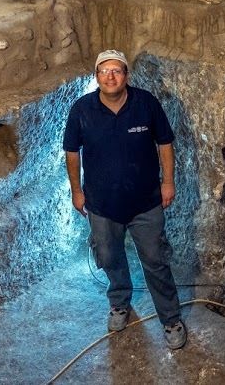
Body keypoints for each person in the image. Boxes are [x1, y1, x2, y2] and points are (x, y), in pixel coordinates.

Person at [63, 49, 188, 350]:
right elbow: (71, 151)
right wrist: (76, 191)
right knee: (108, 257)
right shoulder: (82, 110)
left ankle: (170, 319)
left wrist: (168, 182)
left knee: (156, 262)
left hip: (146, 203)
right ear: (96, 77)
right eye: (103, 71)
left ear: (126, 76)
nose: (110, 76)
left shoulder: (146, 104)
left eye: (116, 70)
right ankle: (120, 302)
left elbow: (165, 143)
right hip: (102, 205)